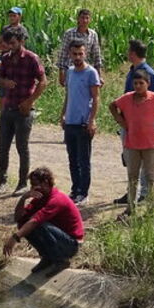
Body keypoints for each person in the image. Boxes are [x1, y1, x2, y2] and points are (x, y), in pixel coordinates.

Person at [110, 69, 154, 218]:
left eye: (141, 83)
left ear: (148, 84)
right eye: (135, 83)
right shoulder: (127, 98)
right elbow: (112, 105)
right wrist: (121, 121)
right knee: (132, 176)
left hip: (150, 143)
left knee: (150, 177)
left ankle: (151, 210)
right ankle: (130, 208)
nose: (138, 86)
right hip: (132, 143)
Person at [0, 26, 47, 195]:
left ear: (21, 41)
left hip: (23, 110)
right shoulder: (6, 58)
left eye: (13, 43)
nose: (10, 46)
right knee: (3, 146)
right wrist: (4, 82)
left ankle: (22, 183)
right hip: (8, 107)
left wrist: (29, 101)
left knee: (22, 147)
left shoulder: (31, 59)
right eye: (8, 43)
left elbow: (43, 82)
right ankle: (1, 182)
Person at [2, 167, 84, 274]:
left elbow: (36, 221)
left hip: (71, 245)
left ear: (45, 183)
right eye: (31, 184)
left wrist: (14, 238)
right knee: (24, 223)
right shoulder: (40, 198)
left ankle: (61, 261)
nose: (32, 188)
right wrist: (23, 198)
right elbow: (19, 218)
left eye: (35, 184)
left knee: (38, 224)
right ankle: (47, 258)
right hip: (60, 239)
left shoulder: (57, 199)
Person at [114, 39, 154, 205]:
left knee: (143, 162)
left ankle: (144, 194)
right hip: (128, 121)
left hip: (139, 125)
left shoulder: (147, 73)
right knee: (130, 159)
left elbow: (153, 99)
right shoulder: (134, 70)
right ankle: (132, 193)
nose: (127, 53)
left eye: (128, 51)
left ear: (133, 53)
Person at [60, 42, 101, 205]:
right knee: (72, 158)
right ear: (70, 54)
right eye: (74, 54)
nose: (77, 57)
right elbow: (68, 95)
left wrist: (91, 120)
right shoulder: (69, 72)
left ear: (85, 54)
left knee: (84, 160)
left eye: (80, 54)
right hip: (70, 121)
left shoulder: (91, 73)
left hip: (83, 123)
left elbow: (96, 98)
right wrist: (63, 114)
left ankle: (83, 193)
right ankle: (75, 189)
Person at [56, 9, 103, 87]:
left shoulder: (93, 35)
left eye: (87, 18)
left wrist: (99, 75)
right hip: (71, 69)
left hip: (86, 69)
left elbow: (96, 55)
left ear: (90, 20)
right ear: (78, 19)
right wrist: (61, 72)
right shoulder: (69, 33)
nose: (84, 20)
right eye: (82, 18)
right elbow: (63, 53)